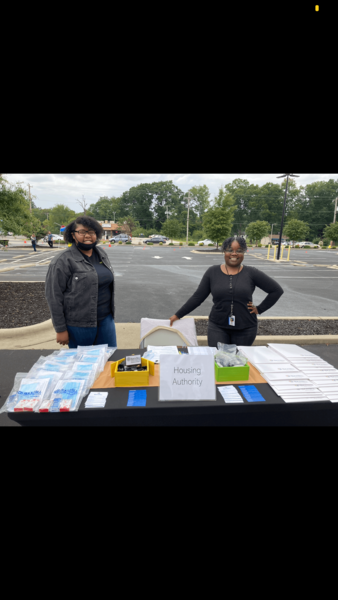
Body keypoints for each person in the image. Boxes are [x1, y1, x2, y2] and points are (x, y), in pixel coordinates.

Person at [169, 236, 284, 347]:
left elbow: (276, 290)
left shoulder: (251, 273)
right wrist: (178, 315)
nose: (234, 254)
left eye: (239, 250)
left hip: (246, 328)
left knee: (237, 363)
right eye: (230, 250)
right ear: (224, 251)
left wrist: (259, 309)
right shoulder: (212, 272)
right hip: (217, 327)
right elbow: (197, 297)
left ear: (244, 252)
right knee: (218, 361)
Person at [45, 216, 117, 349]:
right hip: (78, 325)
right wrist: (60, 329)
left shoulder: (101, 253)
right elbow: (54, 296)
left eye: (91, 232)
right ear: (72, 235)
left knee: (109, 359)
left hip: (105, 319)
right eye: (82, 232)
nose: (88, 236)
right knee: (83, 365)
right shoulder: (62, 261)